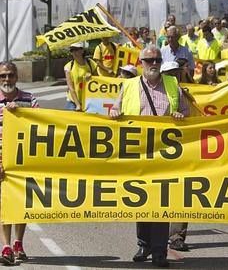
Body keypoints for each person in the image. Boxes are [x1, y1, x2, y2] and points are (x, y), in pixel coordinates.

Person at [109, 45, 190, 268]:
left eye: (157, 59)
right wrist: (115, 113)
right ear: (140, 63)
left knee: (161, 201)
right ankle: (144, 244)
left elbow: (187, 113)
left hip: (165, 155)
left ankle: (159, 251)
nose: (154, 63)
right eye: (149, 60)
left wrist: (179, 116)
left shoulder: (173, 85)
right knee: (141, 200)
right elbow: (114, 110)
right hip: (139, 153)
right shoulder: (129, 86)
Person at [0, 61, 38, 266]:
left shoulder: (29, 99)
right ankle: (6, 246)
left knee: (22, 203)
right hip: (1, 161)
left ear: (17, 77)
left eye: (11, 75)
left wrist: (21, 115)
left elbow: (41, 125)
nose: (7, 79)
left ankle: (18, 243)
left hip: (24, 161)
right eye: (3, 75)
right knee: (5, 204)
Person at [64, 42, 98, 111]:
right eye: (72, 50)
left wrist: (92, 77)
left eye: (76, 49)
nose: (74, 52)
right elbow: (71, 88)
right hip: (73, 102)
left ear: (82, 51)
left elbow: (98, 80)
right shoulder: (68, 67)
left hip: (89, 101)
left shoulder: (90, 63)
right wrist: (77, 104)